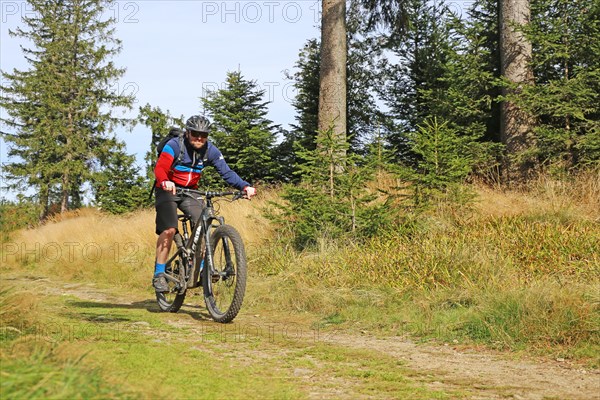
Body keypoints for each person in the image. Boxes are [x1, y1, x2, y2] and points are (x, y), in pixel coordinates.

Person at [152, 115, 256, 292]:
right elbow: (160, 167)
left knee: (204, 224)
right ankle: (159, 273)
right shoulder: (175, 146)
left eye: (203, 135)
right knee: (169, 229)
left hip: (190, 191)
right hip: (167, 189)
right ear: (187, 133)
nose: (199, 138)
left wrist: (245, 186)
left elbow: (227, 172)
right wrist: (164, 181)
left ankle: (200, 266)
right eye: (195, 134)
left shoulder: (211, 151)